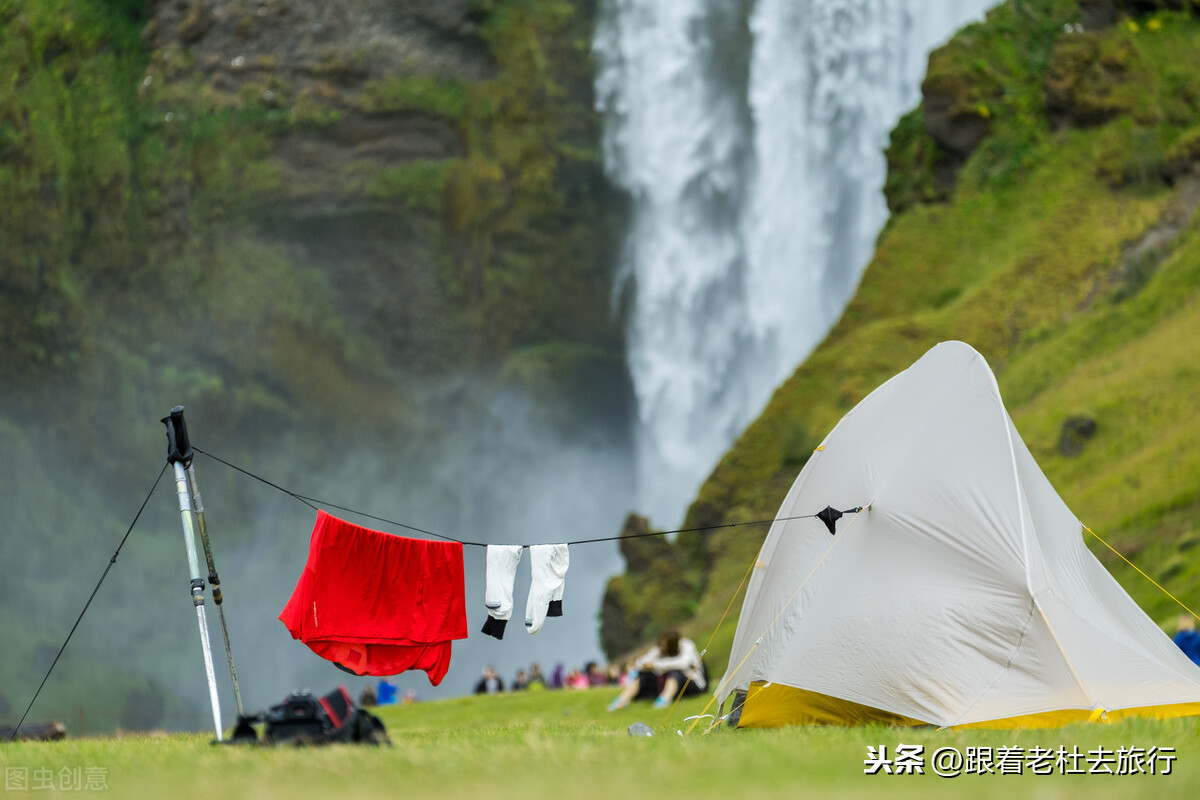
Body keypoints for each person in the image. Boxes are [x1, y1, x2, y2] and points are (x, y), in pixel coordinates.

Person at [607, 630, 706, 711]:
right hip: (667, 683)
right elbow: (641, 662)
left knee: (674, 672)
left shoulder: (686, 645)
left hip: (692, 683)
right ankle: (622, 701)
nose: (662, 648)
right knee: (643, 675)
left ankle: (664, 701)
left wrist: (655, 665)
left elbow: (683, 663)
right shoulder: (659, 649)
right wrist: (648, 666)